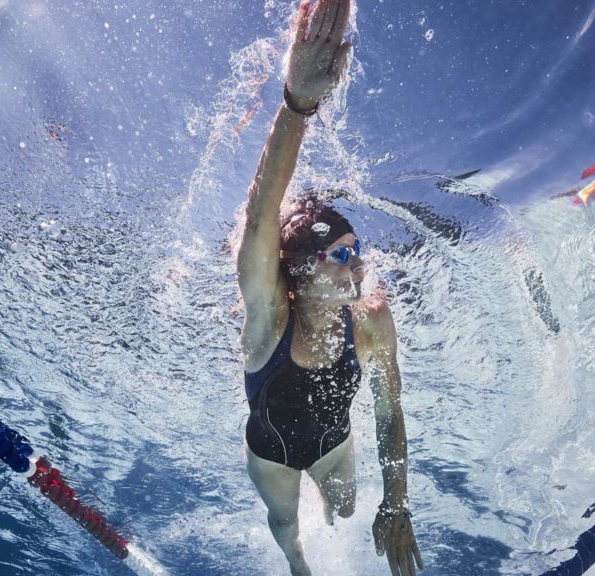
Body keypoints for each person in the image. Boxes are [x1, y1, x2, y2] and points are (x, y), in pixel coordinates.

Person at [235, 1, 425, 575]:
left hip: (335, 445)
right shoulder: (269, 317)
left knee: (343, 508)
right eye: (342, 254)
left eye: (358, 252)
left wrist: (396, 503)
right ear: (300, 268)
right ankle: (297, 565)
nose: (358, 265)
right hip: (270, 455)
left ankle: (329, 513)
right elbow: (259, 224)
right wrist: (297, 106)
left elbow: (390, 414)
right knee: (286, 526)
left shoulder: (370, 321)